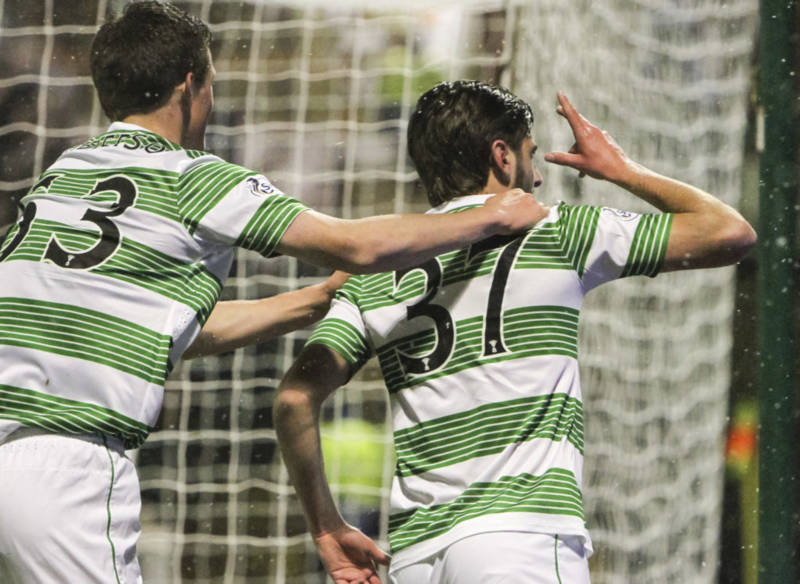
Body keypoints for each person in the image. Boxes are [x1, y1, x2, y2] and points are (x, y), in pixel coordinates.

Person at [0, 3, 548, 583]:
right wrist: (490, 215)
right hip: (65, 458)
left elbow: (170, 329)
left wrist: (310, 304)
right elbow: (354, 246)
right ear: (191, 85)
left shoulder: (65, 173)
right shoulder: (195, 177)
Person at [274, 80, 757, 584]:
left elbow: (294, 399)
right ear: (502, 158)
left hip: (416, 556)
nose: (539, 178)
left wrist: (327, 527)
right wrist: (621, 170)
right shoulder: (556, 232)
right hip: (518, 537)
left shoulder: (372, 271)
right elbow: (729, 233)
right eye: (531, 155)